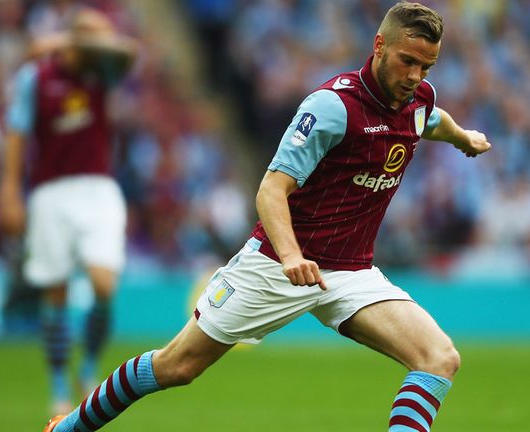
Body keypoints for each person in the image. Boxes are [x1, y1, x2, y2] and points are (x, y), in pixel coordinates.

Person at [43, 3, 491, 431]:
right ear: (378, 45)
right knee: (177, 366)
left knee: (439, 357)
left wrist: (462, 137)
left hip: (352, 271)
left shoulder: (418, 99)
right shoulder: (333, 108)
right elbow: (271, 188)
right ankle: (67, 427)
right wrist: (293, 255)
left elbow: (430, 118)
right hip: (278, 264)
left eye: (425, 67)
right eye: (407, 61)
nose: (414, 76)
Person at [0, 8, 137, 416]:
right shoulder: (36, 79)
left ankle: (89, 366)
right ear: (79, 39)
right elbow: (17, 134)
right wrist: (9, 190)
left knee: (103, 283)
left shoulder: (103, 71)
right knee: (55, 290)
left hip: (98, 187)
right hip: (51, 192)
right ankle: (59, 383)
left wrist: (71, 40)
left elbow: (130, 52)